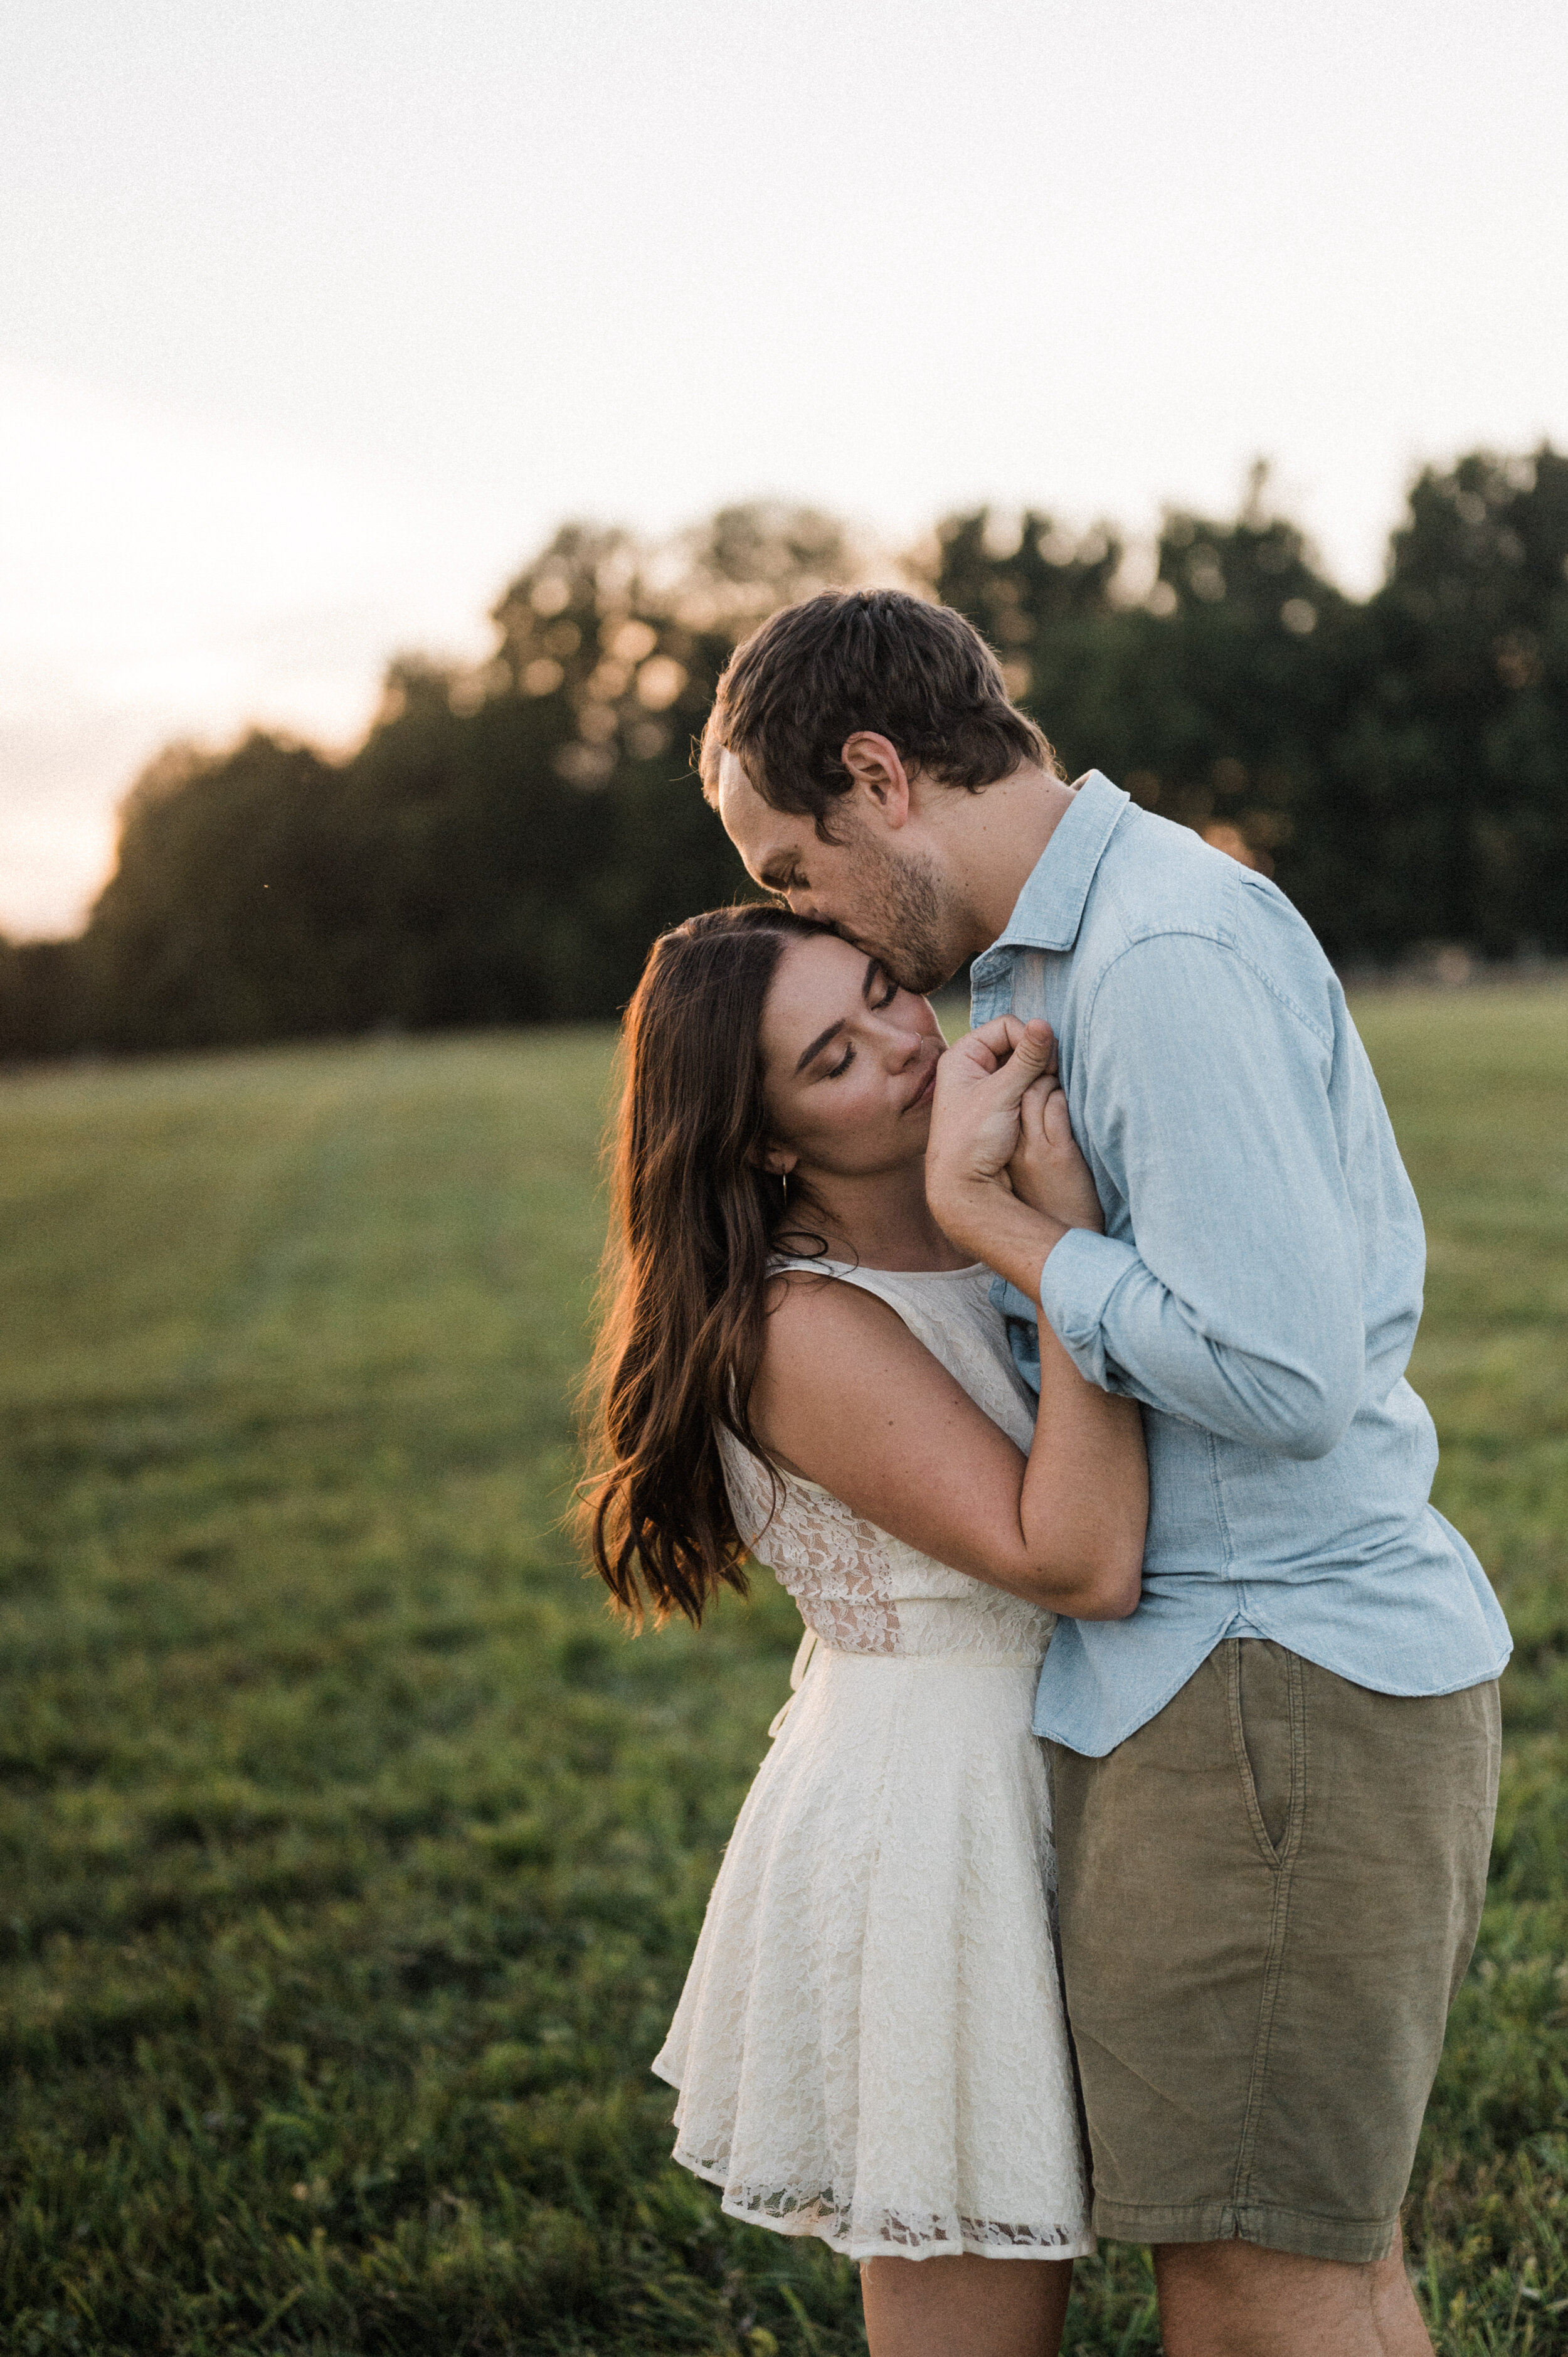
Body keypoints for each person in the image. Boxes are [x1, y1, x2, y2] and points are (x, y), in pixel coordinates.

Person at [702, 587, 1512, 2357]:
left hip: (1270, 1678)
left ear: (874, 774)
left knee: (1262, 2290)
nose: (804, 914)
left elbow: (1283, 1370)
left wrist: (1014, 1234)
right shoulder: (1050, 962)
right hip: (1213, 1691)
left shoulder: (1155, 955)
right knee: (1272, 2270)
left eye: (792, 868)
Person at [581, 903, 1148, 2357]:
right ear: (767, 1144)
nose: (907, 1043)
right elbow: (1072, 1557)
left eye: (887, 992)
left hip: (1078, 1758)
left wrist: (1002, 1223)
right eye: (836, 1058)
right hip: (938, 1816)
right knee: (978, 2307)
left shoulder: (968, 1206)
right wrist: (1051, 1242)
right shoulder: (795, 1326)